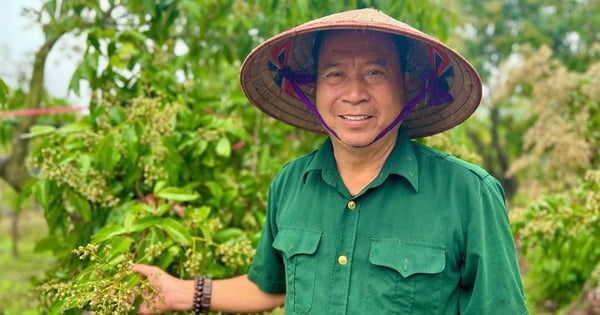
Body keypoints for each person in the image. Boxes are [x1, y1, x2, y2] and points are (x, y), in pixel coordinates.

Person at [132, 8, 529, 315]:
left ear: (407, 84)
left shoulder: (468, 194)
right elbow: (271, 286)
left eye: (376, 71)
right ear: (314, 89)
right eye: (335, 74)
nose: (354, 93)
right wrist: (180, 293)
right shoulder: (291, 184)